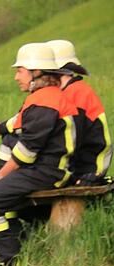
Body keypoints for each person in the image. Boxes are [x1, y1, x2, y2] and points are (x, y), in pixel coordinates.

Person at [0, 43, 77, 266]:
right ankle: (18, 252)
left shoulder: (45, 101)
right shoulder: (45, 97)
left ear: (36, 72)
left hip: (47, 171)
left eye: (20, 71)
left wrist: (0, 176)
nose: (16, 77)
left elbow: (28, 150)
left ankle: (7, 265)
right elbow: (18, 127)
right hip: (46, 169)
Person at [47, 39, 111, 184]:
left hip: (87, 168)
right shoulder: (69, 91)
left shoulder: (75, 93)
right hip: (79, 164)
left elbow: (73, 140)